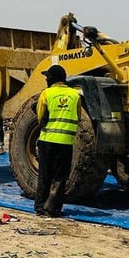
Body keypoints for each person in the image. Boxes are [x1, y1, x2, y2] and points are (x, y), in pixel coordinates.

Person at [34, 64, 80, 217]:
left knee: (45, 175)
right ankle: (53, 209)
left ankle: (41, 207)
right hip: (66, 142)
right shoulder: (75, 95)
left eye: (48, 76)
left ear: (53, 78)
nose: (46, 79)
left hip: (47, 140)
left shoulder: (46, 94)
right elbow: (78, 116)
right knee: (60, 177)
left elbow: (40, 117)